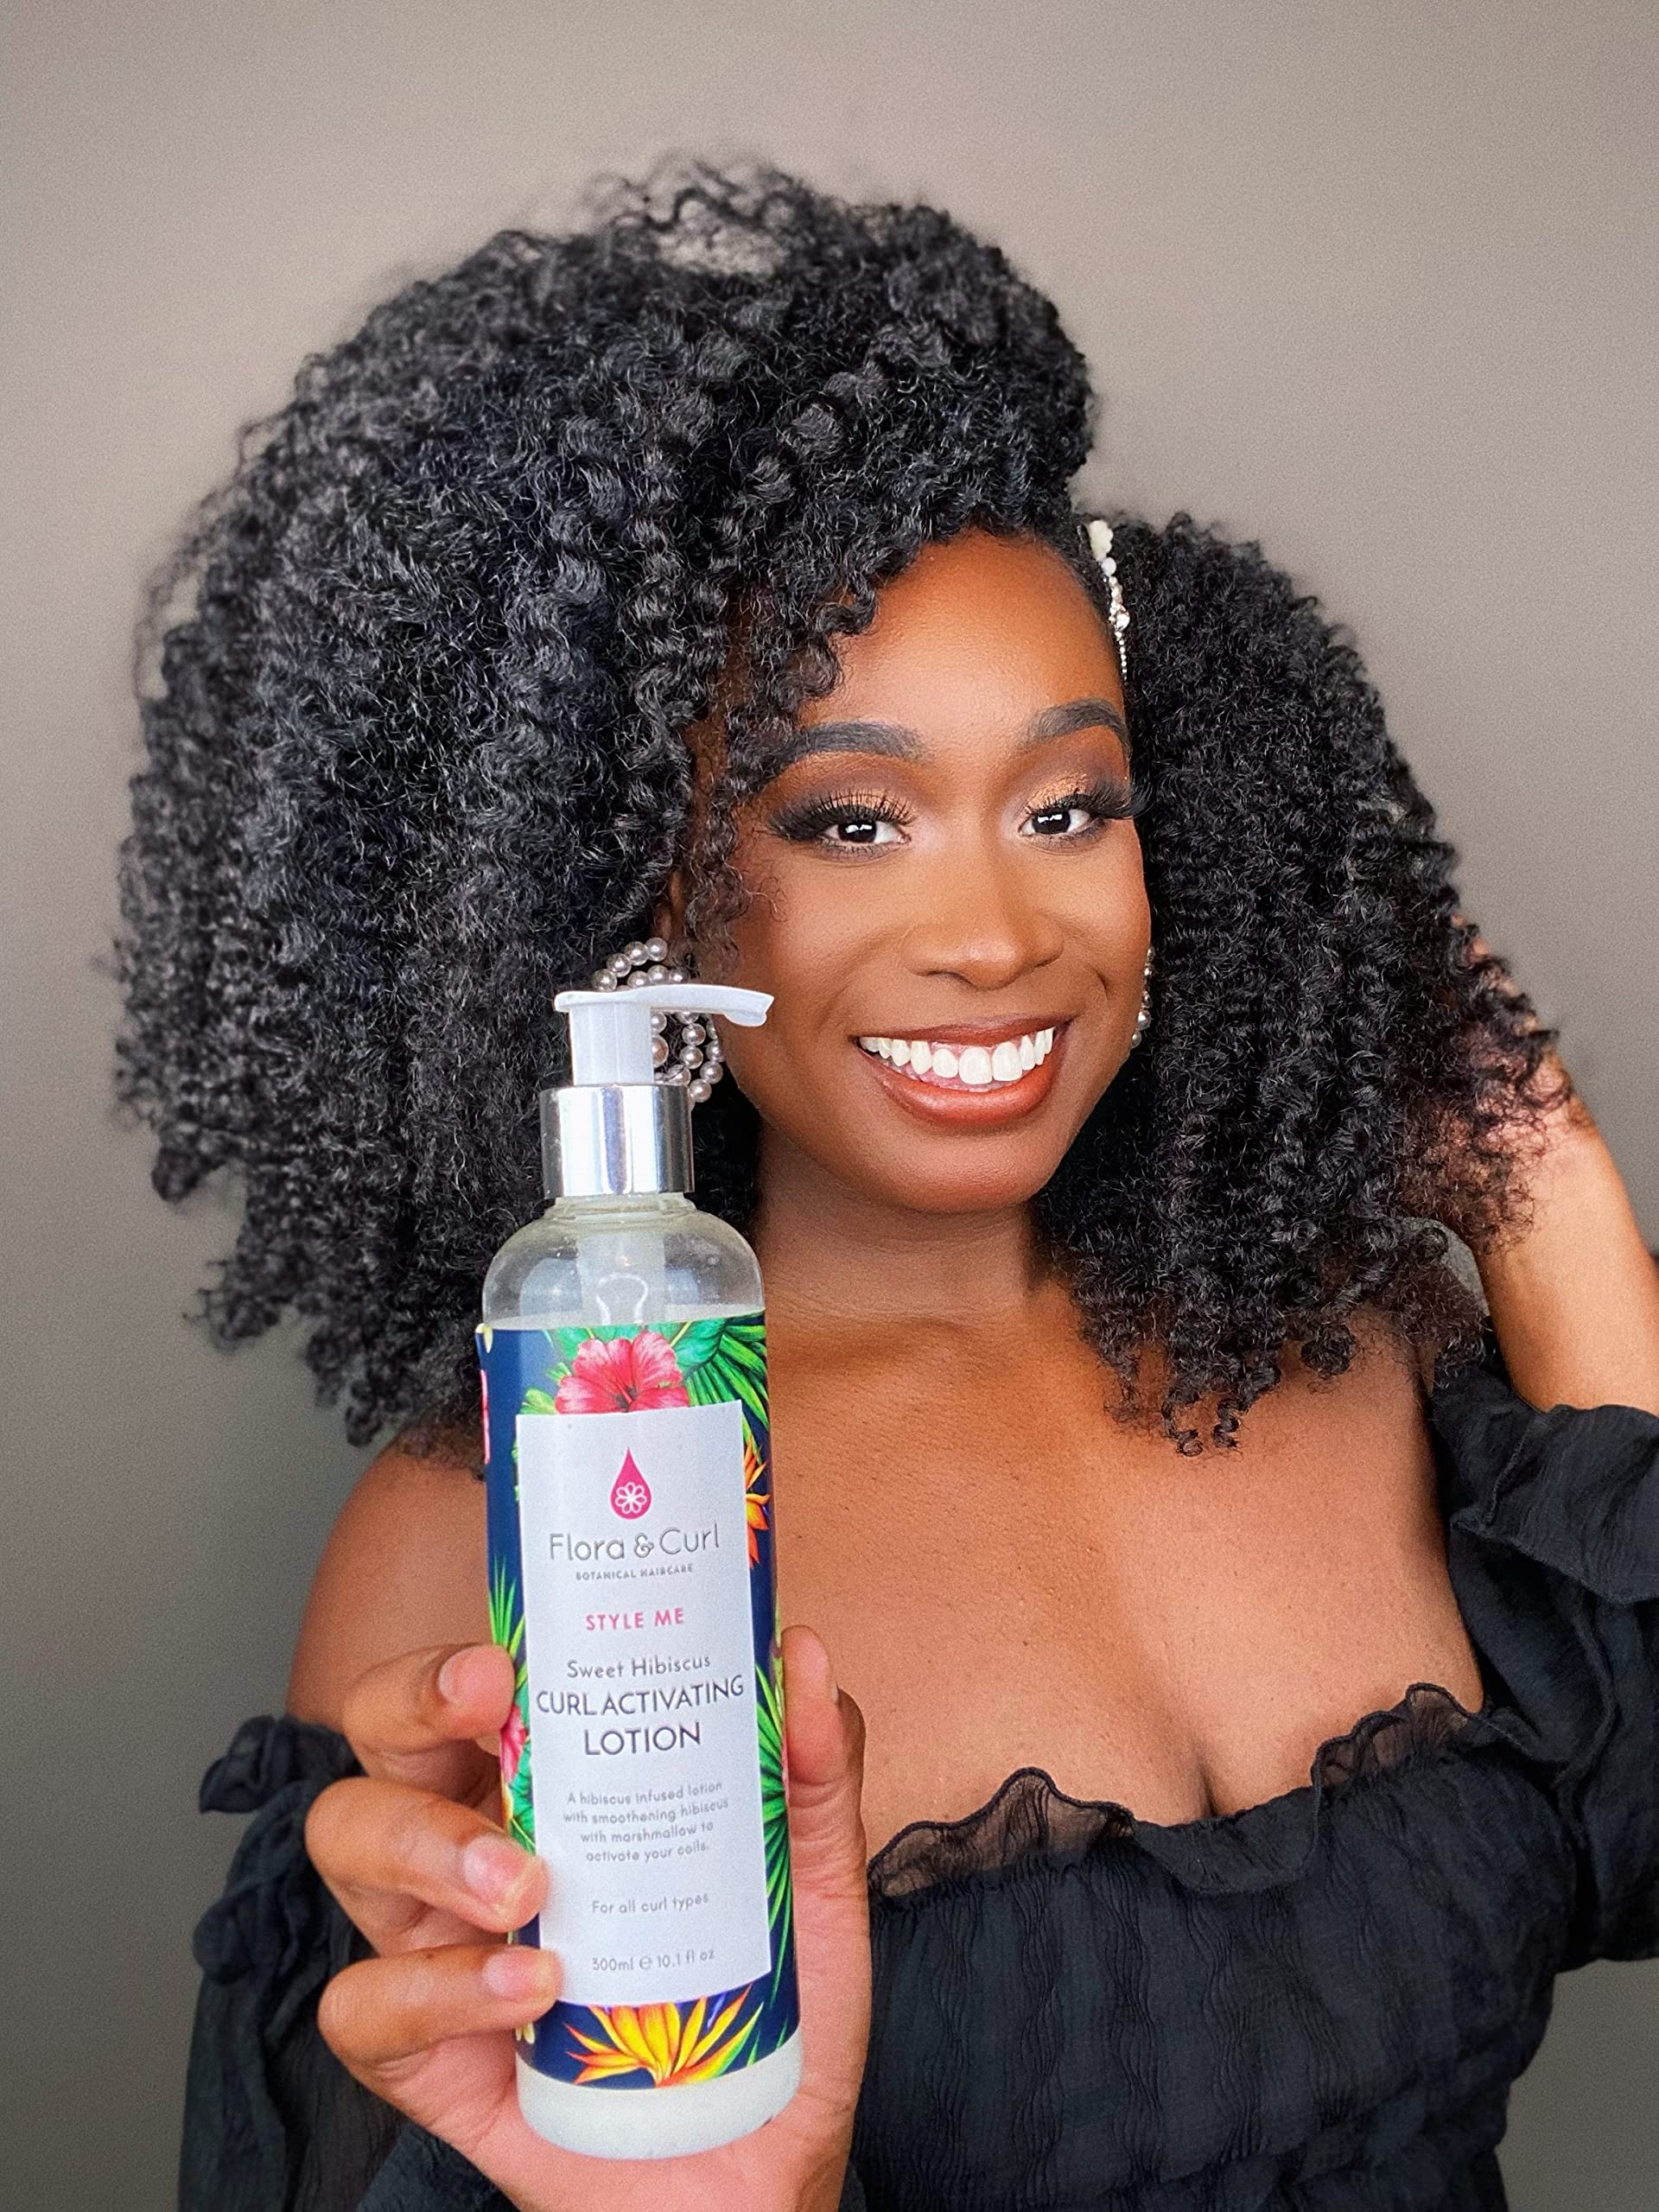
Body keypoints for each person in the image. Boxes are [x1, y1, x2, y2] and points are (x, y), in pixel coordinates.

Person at [119, 162, 1659, 2212]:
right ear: (641, 892)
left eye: (1072, 804)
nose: (999, 932)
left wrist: (1536, 1169)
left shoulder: (1348, 1356)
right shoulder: (542, 1515)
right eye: (851, 818)